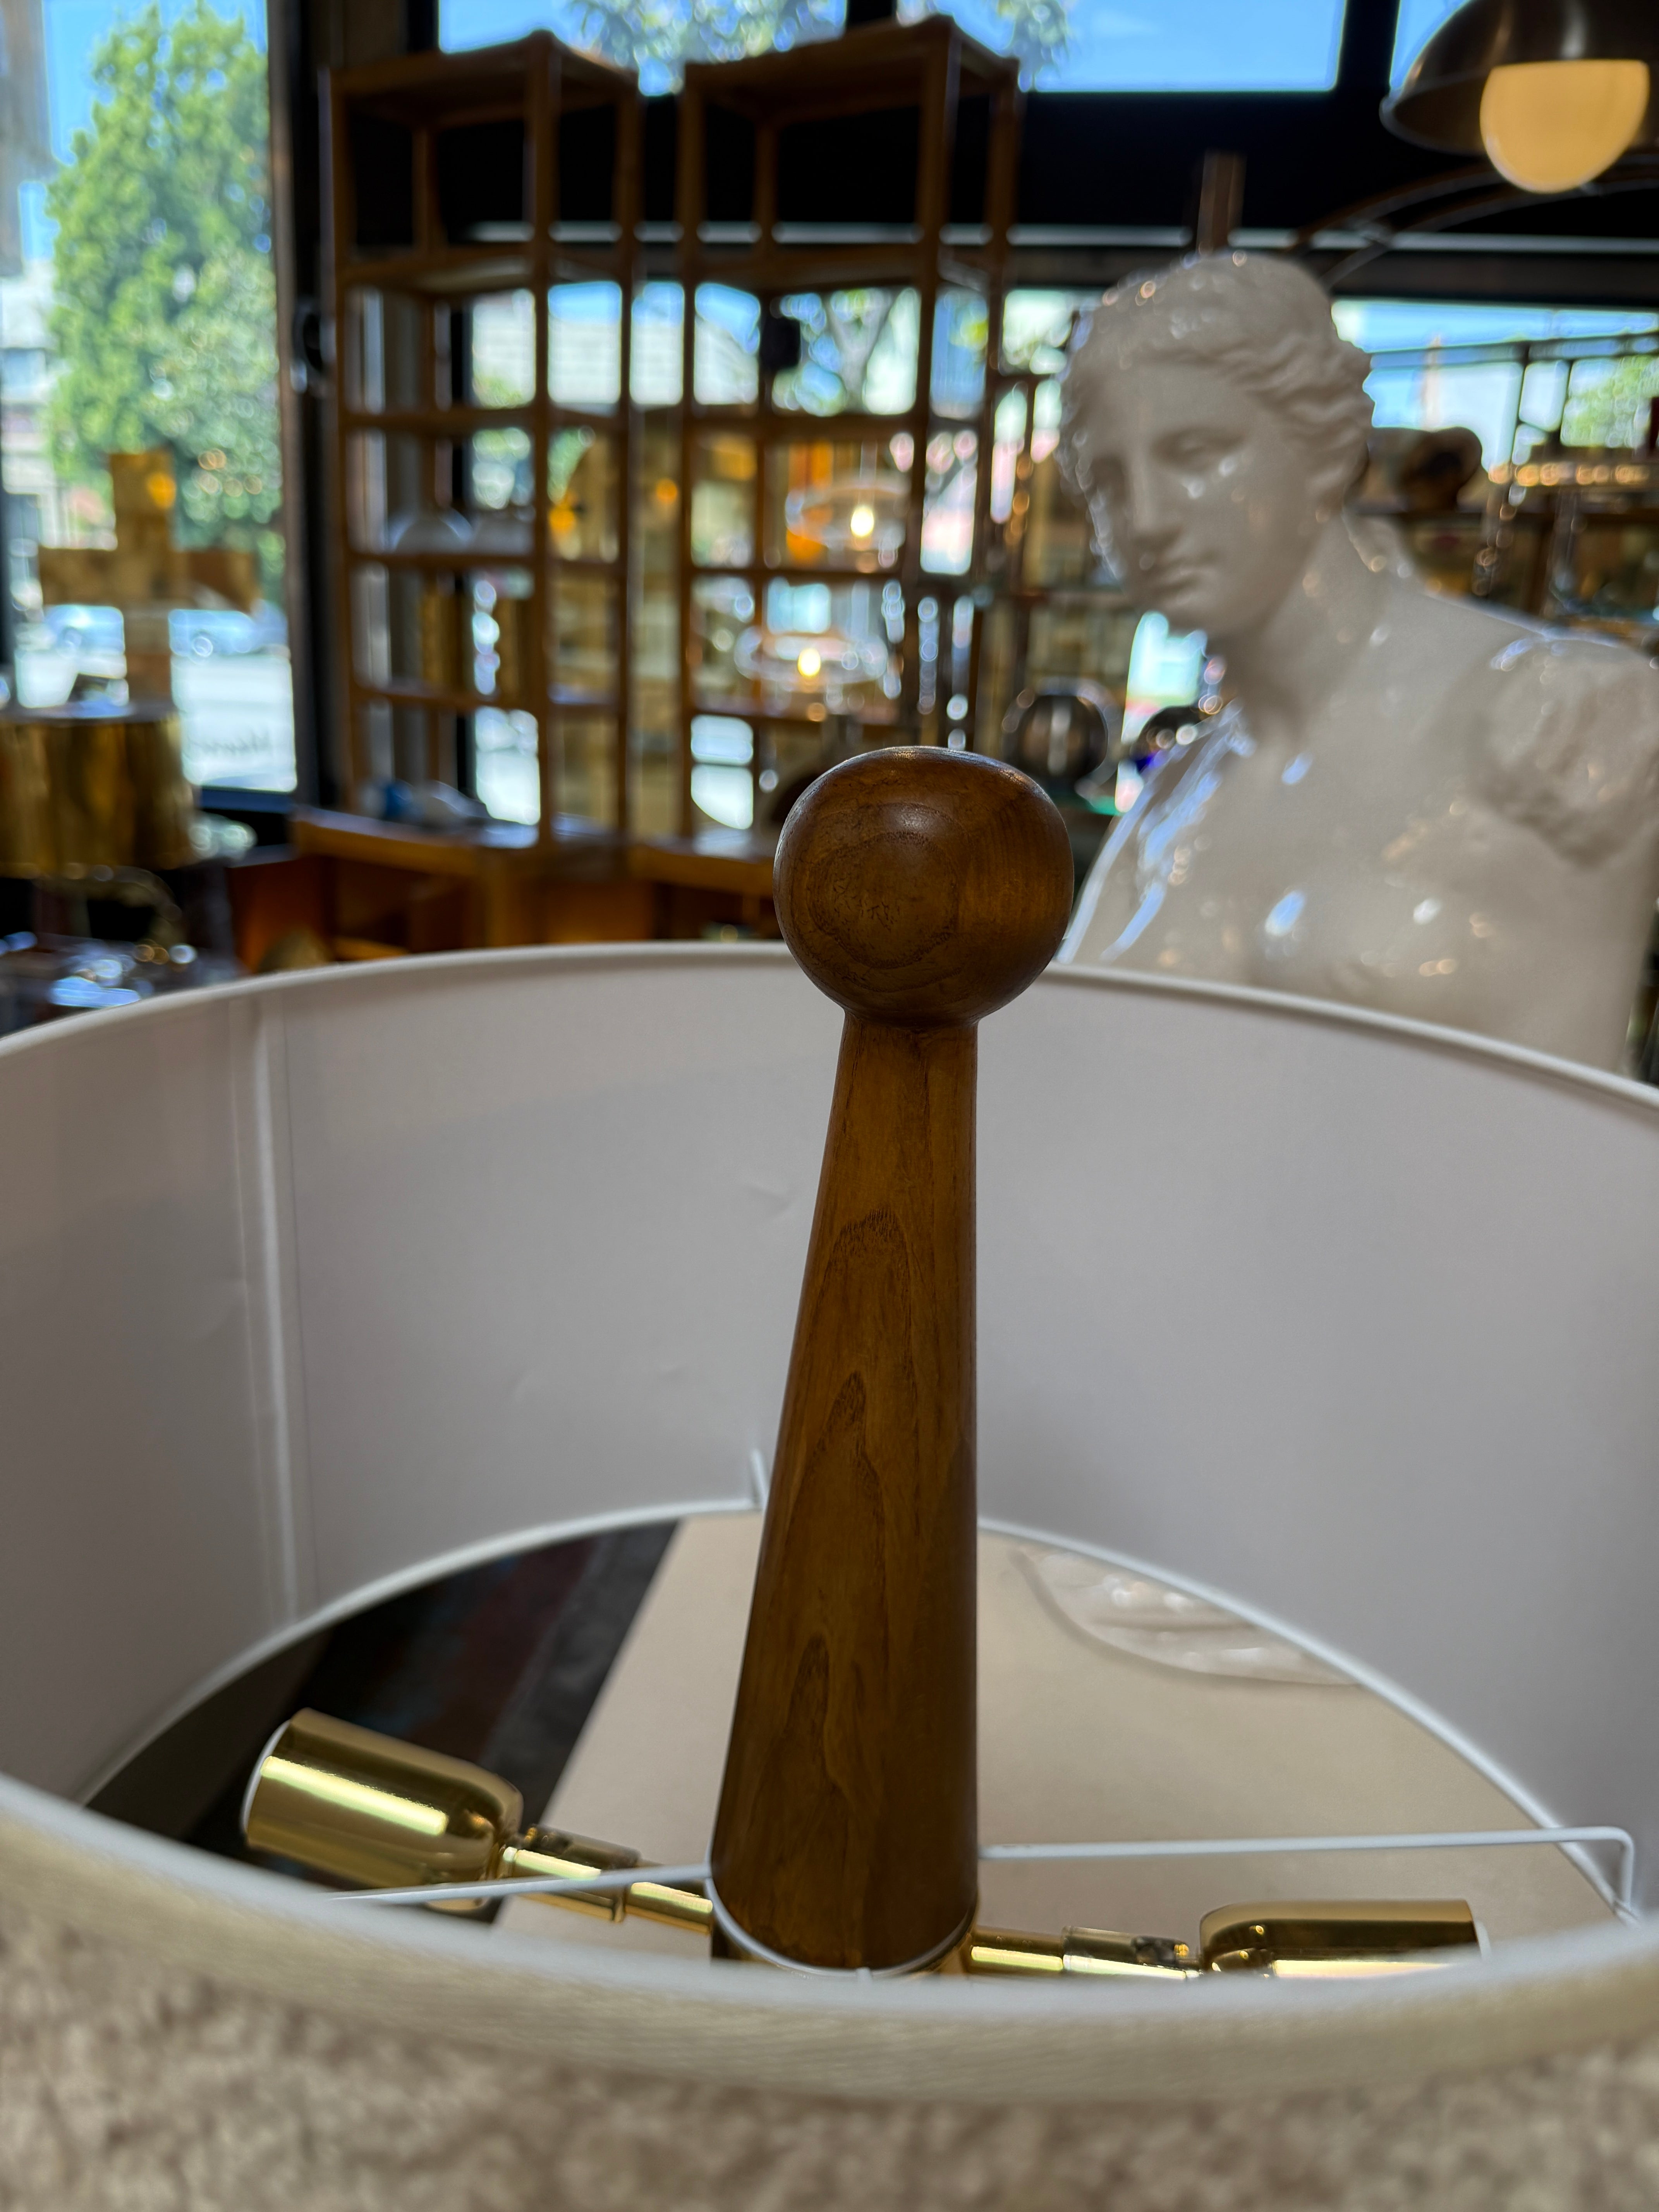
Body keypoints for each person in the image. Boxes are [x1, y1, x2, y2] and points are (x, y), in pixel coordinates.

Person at [1055, 251, 1659, 1072]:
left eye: (1196, 452)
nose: (1148, 518)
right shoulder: (1174, 795)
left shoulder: (1557, 712)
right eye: (1108, 481)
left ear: (1323, 448)